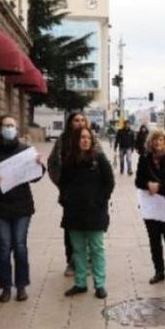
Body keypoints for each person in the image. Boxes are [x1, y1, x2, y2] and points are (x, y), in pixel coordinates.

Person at [0, 115, 45, 302]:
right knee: (3, 248)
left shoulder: (25, 150)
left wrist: (38, 165)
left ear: (16, 129)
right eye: (6, 125)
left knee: (20, 246)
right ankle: (6, 287)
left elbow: (36, 177)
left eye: (12, 126)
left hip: (21, 206)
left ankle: (22, 286)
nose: (9, 128)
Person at [60, 127, 115, 299]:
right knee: (78, 249)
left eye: (88, 138)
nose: (85, 140)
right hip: (74, 212)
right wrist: (66, 199)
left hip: (95, 212)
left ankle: (99, 284)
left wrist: (100, 201)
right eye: (82, 137)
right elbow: (63, 183)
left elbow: (109, 183)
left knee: (96, 248)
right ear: (76, 140)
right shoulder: (69, 160)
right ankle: (80, 283)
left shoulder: (99, 159)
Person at [135, 129, 165, 286]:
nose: (158, 143)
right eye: (155, 140)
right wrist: (148, 184)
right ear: (150, 142)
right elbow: (138, 180)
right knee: (154, 240)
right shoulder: (145, 158)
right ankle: (159, 271)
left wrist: (160, 186)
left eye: (161, 140)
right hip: (150, 205)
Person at [48, 111, 92, 277]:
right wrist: (61, 183)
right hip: (69, 195)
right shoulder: (62, 141)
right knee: (70, 229)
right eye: (76, 120)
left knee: (89, 228)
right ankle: (71, 262)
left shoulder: (92, 140)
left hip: (89, 196)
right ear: (70, 123)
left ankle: (87, 261)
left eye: (82, 120)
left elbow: (102, 165)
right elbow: (52, 163)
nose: (80, 123)